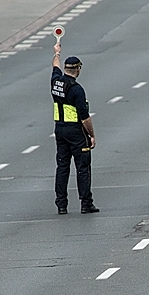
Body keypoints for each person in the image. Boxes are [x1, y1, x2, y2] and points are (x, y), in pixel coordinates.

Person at [51, 42, 98, 214]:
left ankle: (61, 205)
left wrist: (57, 53)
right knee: (82, 167)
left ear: (65, 69)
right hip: (76, 133)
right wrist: (91, 135)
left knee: (62, 167)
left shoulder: (55, 82)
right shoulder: (77, 90)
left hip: (60, 131)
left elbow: (55, 66)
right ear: (78, 69)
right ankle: (86, 203)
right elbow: (84, 117)